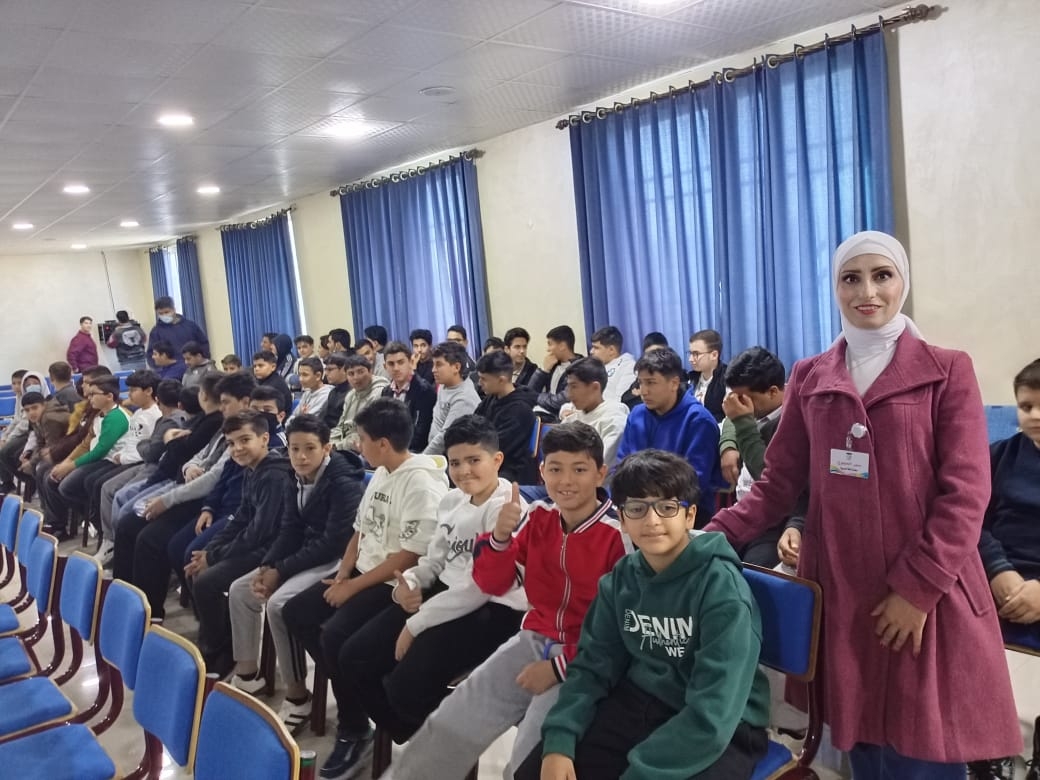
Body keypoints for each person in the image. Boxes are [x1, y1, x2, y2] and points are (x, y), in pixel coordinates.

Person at [704, 230, 1021, 776]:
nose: (867, 291)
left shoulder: (947, 370)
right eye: (851, 278)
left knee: (920, 750)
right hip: (843, 590)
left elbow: (967, 495)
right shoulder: (811, 376)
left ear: (903, 282)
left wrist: (917, 590)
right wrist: (712, 536)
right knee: (864, 747)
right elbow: (778, 483)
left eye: (882, 276)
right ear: (835, 287)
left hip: (923, 592)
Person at [390, 422, 625, 779]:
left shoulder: (618, 535)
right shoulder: (540, 517)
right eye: (555, 469)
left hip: (586, 658)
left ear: (600, 473)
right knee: (450, 723)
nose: (566, 481)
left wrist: (558, 668)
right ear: (542, 471)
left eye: (579, 470)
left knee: (527, 758)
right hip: (533, 639)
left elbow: (621, 631)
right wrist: (499, 537)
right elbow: (494, 583)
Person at [518, 449, 770, 780]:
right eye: (637, 508)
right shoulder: (620, 580)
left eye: (667, 507)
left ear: (690, 515)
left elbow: (715, 710)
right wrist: (560, 739)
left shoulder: (722, 590)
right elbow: (592, 667)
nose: (652, 521)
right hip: (640, 701)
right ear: (622, 519)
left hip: (725, 725)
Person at [336, 415, 527, 748]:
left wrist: (416, 624)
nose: (464, 471)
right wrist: (409, 584)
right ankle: (416, 737)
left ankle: (446, 740)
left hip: (491, 607)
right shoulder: (452, 500)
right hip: (444, 593)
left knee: (404, 687)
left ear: (497, 460)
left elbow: (479, 586)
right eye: (455, 463)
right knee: (354, 657)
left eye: (474, 460)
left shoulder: (506, 509)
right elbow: (433, 560)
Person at [282, 399, 448, 779]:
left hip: (393, 580)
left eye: (362, 438)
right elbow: (360, 529)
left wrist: (353, 586)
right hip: (363, 570)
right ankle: (354, 695)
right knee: (297, 612)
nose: (357, 445)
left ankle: (359, 726)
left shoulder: (420, 482)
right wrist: (344, 573)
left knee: (336, 638)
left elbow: (410, 554)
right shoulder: (383, 472)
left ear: (383, 444)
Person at [226, 414, 365, 731]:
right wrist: (269, 564)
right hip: (305, 552)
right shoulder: (293, 476)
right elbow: (289, 529)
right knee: (240, 590)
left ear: (327, 448)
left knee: (280, 604)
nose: (301, 457)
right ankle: (247, 674)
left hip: (337, 559)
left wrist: (281, 570)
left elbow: (334, 543)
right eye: (294, 449)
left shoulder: (344, 483)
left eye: (309, 448)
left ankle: (298, 695)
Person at [184, 409, 296, 676]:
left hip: (274, 548)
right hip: (258, 542)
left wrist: (215, 556)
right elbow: (242, 517)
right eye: (231, 443)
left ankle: (219, 651)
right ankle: (219, 640)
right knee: (196, 564)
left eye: (245, 440)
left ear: (264, 438)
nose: (237, 449)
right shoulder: (251, 470)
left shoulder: (274, 475)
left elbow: (260, 531)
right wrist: (210, 550)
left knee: (206, 581)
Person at [717, 347, 805, 568]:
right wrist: (728, 445)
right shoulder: (754, 411)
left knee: (750, 573)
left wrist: (743, 424)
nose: (737, 405)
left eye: (744, 399)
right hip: (744, 508)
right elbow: (730, 420)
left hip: (776, 521)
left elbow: (772, 479)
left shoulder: (793, 421)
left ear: (773, 392)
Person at [615, 347, 721, 523]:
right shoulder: (637, 414)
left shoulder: (698, 420)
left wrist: (656, 508)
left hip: (685, 513)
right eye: (640, 383)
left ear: (674, 383)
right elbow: (621, 466)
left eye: (651, 383)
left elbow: (695, 481)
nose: (643, 391)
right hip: (638, 508)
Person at [980, 357, 1040, 634]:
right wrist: (997, 569)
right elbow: (971, 520)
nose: (1035, 415)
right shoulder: (998, 455)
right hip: (997, 576)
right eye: (1026, 407)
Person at [474, 350, 539, 483]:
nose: (479, 383)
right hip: (489, 461)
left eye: (484, 379)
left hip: (511, 471)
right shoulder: (492, 398)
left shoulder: (520, 410)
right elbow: (472, 424)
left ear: (501, 380)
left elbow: (495, 446)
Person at [558, 357, 629, 468]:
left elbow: (602, 464)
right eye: (568, 387)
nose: (569, 394)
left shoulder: (614, 420)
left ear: (595, 387)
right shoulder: (571, 419)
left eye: (574, 387)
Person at [423, 341, 481, 456]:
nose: (433, 370)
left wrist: (423, 459)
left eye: (439, 365)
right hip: (437, 454)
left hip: (452, 457)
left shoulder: (464, 398)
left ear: (456, 367)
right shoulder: (444, 385)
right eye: (433, 364)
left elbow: (446, 437)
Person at [380, 341, 435, 452]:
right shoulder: (386, 392)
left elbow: (420, 434)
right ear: (385, 367)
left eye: (400, 362)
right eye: (391, 364)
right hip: (390, 449)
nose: (396, 368)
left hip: (415, 451)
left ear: (410, 362)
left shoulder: (424, 390)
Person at [331, 354, 390, 453]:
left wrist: (336, 446)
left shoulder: (380, 393)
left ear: (370, 371)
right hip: (344, 445)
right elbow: (341, 427)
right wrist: (327, 442)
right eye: (351, 374)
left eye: (360, 372)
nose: (356, 377)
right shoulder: (350, 395)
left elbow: (368, 434)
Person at [529, 325, 581, 422]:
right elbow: (529, 390)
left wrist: (535, 396)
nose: (548, 349)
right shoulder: (553, 364)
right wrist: (543, 370)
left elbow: (559, 402)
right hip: (543, 413)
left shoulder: (580, 368)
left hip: (560, 419)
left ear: (562, 346)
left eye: (550, 344)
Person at [148, 296, 208, 371]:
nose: (164, 315)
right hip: (170, 371)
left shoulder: (190, 326)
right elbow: (151, 355)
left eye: (166, 312)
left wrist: (203, 362)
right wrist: (160, 370)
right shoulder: (156, 332)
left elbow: (203, 344)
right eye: (160, 313)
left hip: (195, 369)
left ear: (174, 309)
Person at [588, 325, 637, 403]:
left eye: (596, 348)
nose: (591, 351)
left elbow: (620, 400)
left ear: (611, 350)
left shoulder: (629, 367)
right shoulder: (592, 367)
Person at [688, 329, 727, 422]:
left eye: (696, 354)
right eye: (690, 353)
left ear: (714, 355)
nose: (690, 359)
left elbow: (731, 419)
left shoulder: (728, 379)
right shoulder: (690, 379)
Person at [291, 357, 332, 422]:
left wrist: (300, 417)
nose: (300, 379)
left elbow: (309, 421)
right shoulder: (307, 393)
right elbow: (293, 416)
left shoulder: (326, 395)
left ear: (318, 376)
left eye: (305, 375)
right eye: (299, 375)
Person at [252, 350, 293, 414]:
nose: (256, 369)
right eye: (254, 366)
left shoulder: (275, 385)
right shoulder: (260, 381)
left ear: (273, 367)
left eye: (260, 365)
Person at [322, 352, 352, 432]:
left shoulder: (353, 394)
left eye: (330, 369)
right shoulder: (332, 392)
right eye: (325, 369)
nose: (326, 373)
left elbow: (348, 426)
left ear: (344, 369)